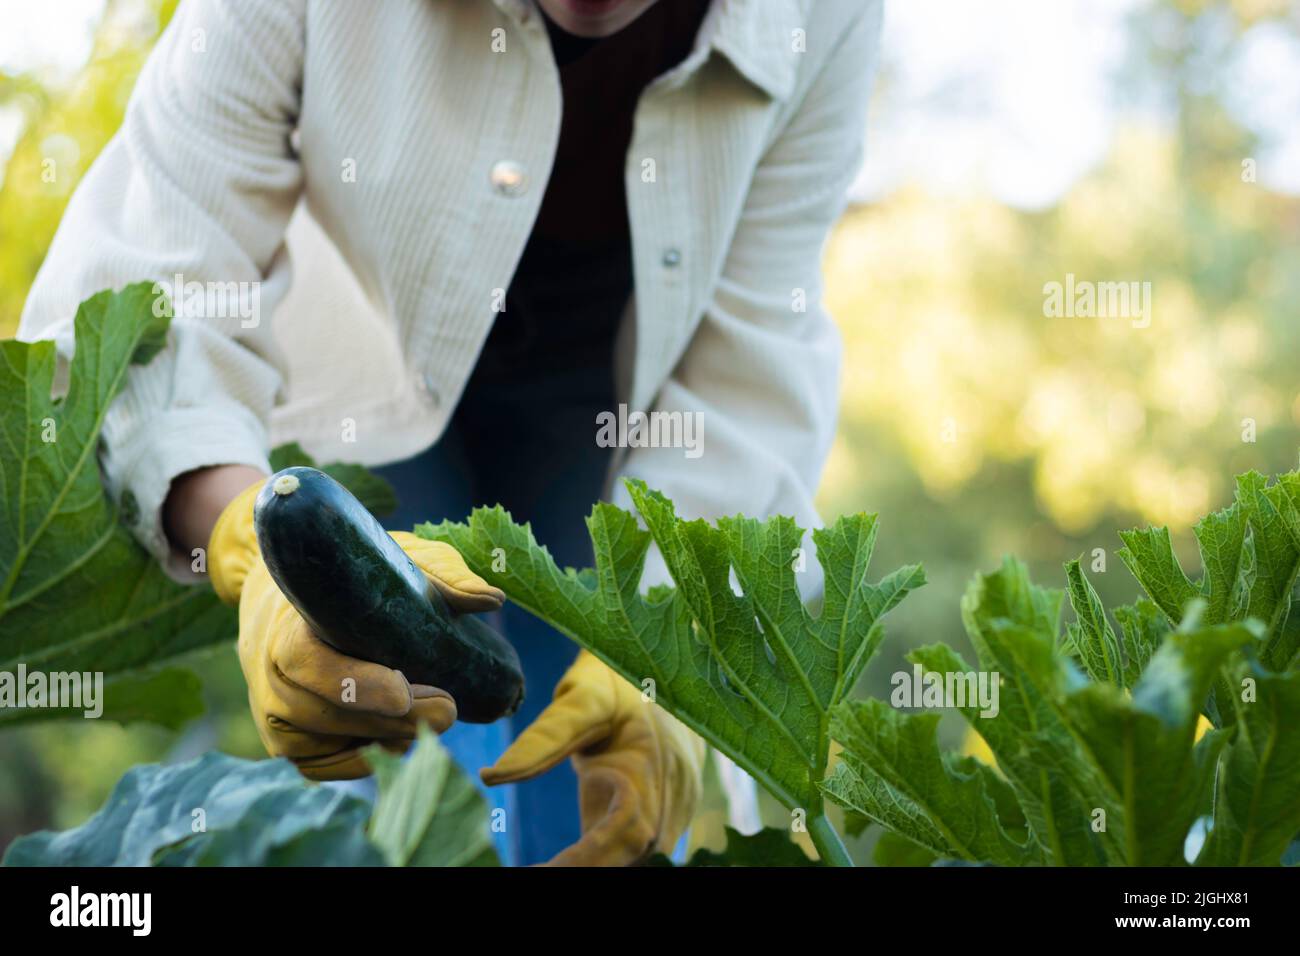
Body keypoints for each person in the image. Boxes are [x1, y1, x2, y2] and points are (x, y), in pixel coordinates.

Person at [19, 0, 883, 866]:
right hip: (366, 371)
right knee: (387, 747)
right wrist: (249, 547)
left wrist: (676, 655)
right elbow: (157, 288)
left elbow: (748, 362)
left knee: (599, 800)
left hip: (615, 402)